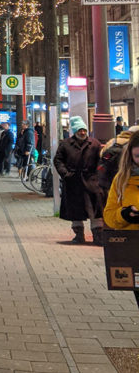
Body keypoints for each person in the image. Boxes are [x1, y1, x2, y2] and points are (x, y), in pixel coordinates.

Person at [54, 115, 103, 245]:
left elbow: (101, 161)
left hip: (91, 182)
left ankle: (98, 235)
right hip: (73, 182)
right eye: (80, 130)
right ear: (74, 131)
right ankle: (79, 235)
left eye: (84, 130)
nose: (82, 132)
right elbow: (58, 161)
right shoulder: (65, 145)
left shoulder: (95, 144)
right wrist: (66, 174)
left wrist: (98, 176)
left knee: (95, 210)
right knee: (75, 211)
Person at [103, 129, 139, 306]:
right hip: (134, 249)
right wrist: (124, 215)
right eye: (138, 156)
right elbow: (109, 215)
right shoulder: (121, 179)